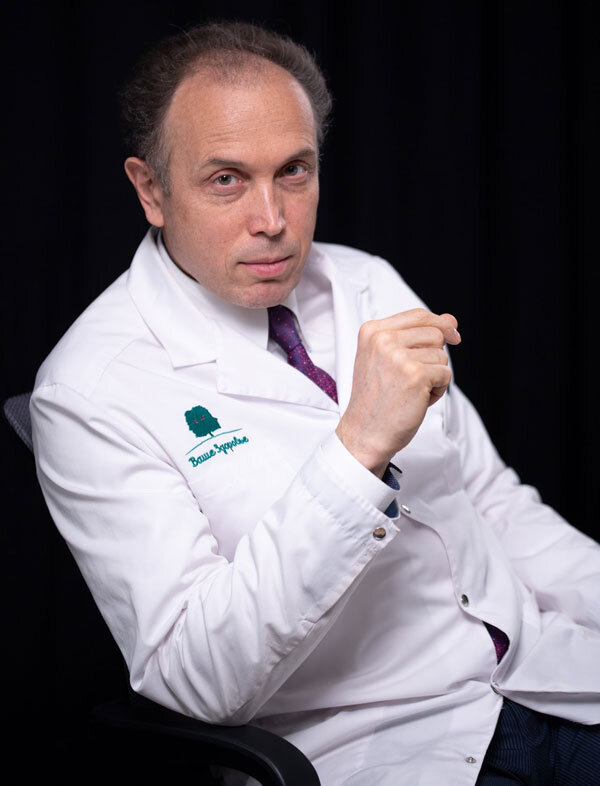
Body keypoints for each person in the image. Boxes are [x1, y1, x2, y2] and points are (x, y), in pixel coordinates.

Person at [30, 21, 600, 786]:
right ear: (151, 190)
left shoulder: (366, 282)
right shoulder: (91, 391)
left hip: (545, 680)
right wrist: (357, 449)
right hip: (393, 749)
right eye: (226, 179)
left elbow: (492, 501)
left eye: (293, 171)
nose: (272, 220)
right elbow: (199, 675)